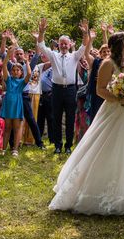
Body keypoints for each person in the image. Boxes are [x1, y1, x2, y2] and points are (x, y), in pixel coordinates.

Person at [49, 32, 124, 215]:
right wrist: (118, 97)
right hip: (115, 110)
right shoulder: (108, 63)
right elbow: (100, 89)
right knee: (111, 147)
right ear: (121, 44)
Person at [36, 17, 89, 154]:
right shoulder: (53, 55)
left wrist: (85, 33)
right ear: (58, 45)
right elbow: (41, 45)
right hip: (57, 90)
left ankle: (68, 146)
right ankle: (58, 145)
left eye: (66, 44)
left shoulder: (74, 56)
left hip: (71, 90)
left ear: (70, 44)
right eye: (62, 44)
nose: (64, 46)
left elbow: (84, 46)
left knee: (70, 118)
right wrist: (41, 31)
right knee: (56, 118)